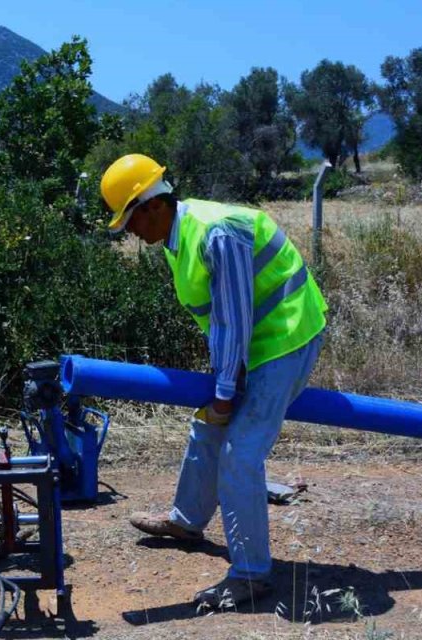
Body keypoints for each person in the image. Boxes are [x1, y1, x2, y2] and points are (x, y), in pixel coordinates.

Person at [100, 154, 328, 610]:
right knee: (207, 424)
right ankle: (186, 521)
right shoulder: (177, 239)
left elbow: (233, 318)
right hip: (256, 344)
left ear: (152, 206)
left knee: (240, 453)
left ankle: (250, 575)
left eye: (129, 219)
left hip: (286, 338)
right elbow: (222, 321)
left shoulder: (217, 233)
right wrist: (222, 391)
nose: (129, 232)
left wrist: (226, 392)